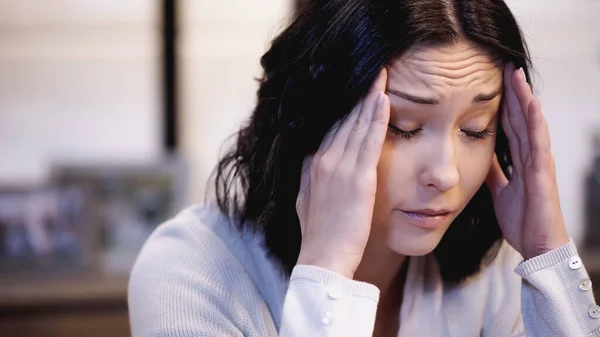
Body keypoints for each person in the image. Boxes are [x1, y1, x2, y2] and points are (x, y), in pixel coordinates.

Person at [128, 0, 600, 336]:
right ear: (315, 122)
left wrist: (548, 253)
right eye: (405, 127)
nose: (447, 174)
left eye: (476, 129)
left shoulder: (499, 275)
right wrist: (327, 276)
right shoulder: (190, 270)